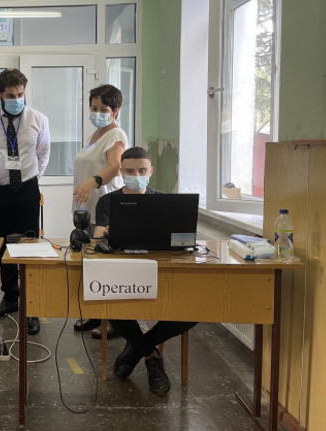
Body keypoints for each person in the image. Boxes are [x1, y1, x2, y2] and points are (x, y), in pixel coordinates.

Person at [93, 146, 198, 396]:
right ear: (121, 172)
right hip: (122, 273)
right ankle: (151, 356)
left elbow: (180, 236)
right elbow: (98, 235)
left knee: (195, 309)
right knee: (108, 304)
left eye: (141, 170)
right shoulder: (107, 201)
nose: (136, 174)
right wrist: (106, 232)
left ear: (150, 171)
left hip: (164, 272)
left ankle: (139, 347)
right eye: (129, 171)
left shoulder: (164, 201)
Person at [0, 68, 50, 335]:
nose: (16, 98)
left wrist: (30, 180)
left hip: (27, 189)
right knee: (5, 245)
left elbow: (43, 154)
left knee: (29, 246)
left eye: (20, 94)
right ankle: (10, 297)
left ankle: (32, 304)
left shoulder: (38, 119)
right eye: (10, 95)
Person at [72, 84, 127, 334]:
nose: (97, 112)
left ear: (116, 110)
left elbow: (115, 167)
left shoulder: (115, 135)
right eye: (93, 108)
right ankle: (95, 315)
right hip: (87, 206)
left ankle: (114, 321)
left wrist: (93, 181)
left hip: (104, 205)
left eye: (103, 108)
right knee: (91, 262)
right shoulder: (94, 135)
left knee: (106, 264)